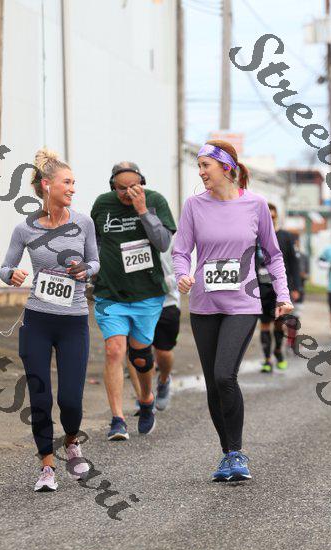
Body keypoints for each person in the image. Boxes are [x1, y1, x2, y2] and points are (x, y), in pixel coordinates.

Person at [172, 140, 293, 482]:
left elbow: (274, 255)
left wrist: (283, 295)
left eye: (205, 166)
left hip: (243, 303)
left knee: (225, 375)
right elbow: (181, 251)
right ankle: (228, 455)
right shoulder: (194, 206)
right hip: (204, 304)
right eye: (198, 166)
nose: (200, 172)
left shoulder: (255, 204)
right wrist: (181, 275)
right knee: (213, 384)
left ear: (226, 167)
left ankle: (238, 452)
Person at [0, 148, 99, 492]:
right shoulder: (24, 228)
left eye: (73, 182)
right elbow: (5, 267)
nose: (73, 188)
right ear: (47, 185)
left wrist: (86, 269)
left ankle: (71, 442)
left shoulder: (83, 223)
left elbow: (95, 262)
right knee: (40, 397)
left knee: (70, 400)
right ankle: (46, 466)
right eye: (67, 182)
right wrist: (11, 275)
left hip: (73, 321)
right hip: (37, 321)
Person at [91, 161, 176, 439]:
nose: (128, 192)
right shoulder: (102, 204)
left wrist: (142, 211)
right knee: (114, 350)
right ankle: (117, 419)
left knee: (140, 357)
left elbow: (163, 242)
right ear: (112, 187)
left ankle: (147, 398)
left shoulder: (155, 201)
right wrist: (93, 268)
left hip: (147, 293)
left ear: (143, 183)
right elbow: (95, 242)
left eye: (134, 186)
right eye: (122, 188)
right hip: (110, 293)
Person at [128, 245, 181, 412]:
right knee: (136, 353)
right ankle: (144, 397)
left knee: (163, 352)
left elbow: (182, 269)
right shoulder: (129, 235)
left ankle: (164, 381)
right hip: (135, 302)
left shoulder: (170, 237)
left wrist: (159, 283)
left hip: (166, 302)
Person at [256, 203, 301, 373]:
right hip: (261, 287)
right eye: (267, 216)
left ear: (276, 217)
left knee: (278, 323)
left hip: (280, 288)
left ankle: (278, 352)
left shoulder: (286, 236)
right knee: (264, 324)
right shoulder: (254, 236)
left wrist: (296, 287)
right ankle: (267, 359)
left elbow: (294, 263)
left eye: (273, 216)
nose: (270, 219)